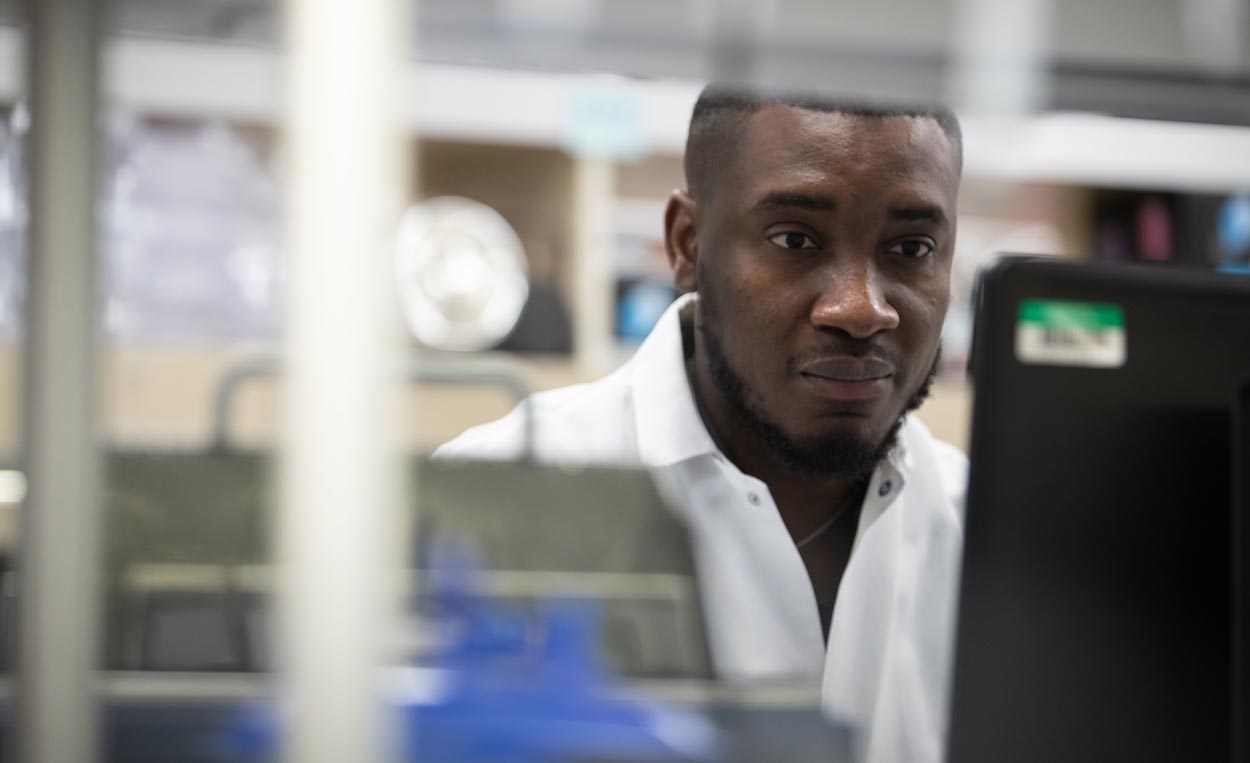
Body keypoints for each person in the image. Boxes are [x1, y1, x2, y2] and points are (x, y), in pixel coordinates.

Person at [436, 86, 966, 763]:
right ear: (688, 245)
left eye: (912, 248)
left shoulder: (1000, 536)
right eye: (795, 239)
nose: (860, 309)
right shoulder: (496, 497)